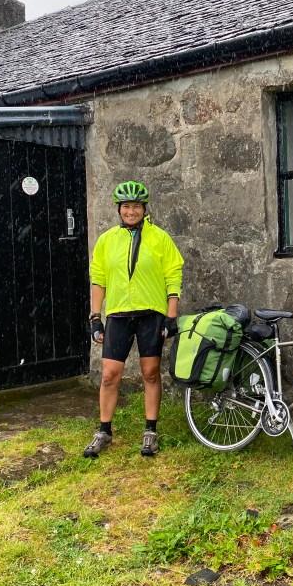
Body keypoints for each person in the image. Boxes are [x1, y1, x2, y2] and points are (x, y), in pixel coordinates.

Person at [84, 180, 184, 458]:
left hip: (151, 315)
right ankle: (104, 431)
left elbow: (173, 275)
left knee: (150, 373)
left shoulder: (160, 238)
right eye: (126, 206)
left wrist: (171, 315)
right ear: (119, 209)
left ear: (144, 209)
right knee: (109, 375)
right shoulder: (106, 241)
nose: (131, 211)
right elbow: (98, 279)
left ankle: (150, 431)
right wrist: (95, 316)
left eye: (136, 206)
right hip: (118, 315)